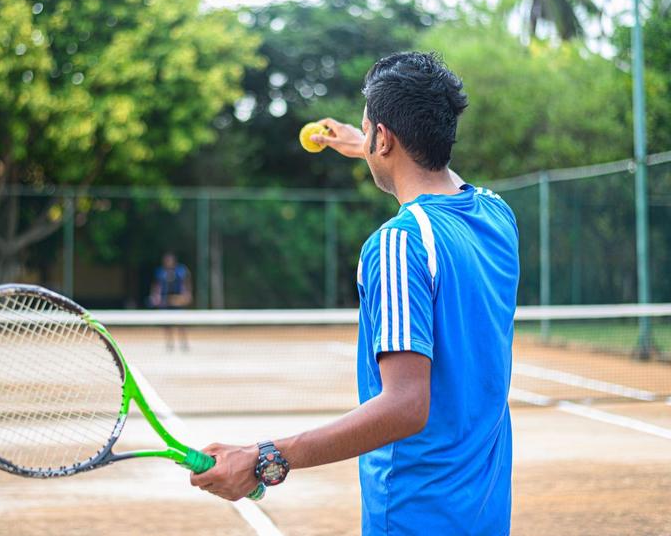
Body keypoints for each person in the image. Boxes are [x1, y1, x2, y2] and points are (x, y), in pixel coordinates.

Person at [189, 52, 520, 535]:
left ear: (383, 138)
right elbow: (435, 173)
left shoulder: (397, 244)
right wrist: (366, 144)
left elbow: (406, 405)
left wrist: (264, 458)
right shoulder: (497, 216)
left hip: (414, 516)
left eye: (370, 132)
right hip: (486, 515)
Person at [149, 252, 192, 351]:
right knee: (167, 324)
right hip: (166, 301)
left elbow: (186, 283)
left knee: (181, 323)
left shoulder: (181, 271)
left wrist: (187, 295)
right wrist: (156, 297)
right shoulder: (160, 272)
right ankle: (170, 343)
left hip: (177, 300)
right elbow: (157, 286)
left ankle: (184, 342)